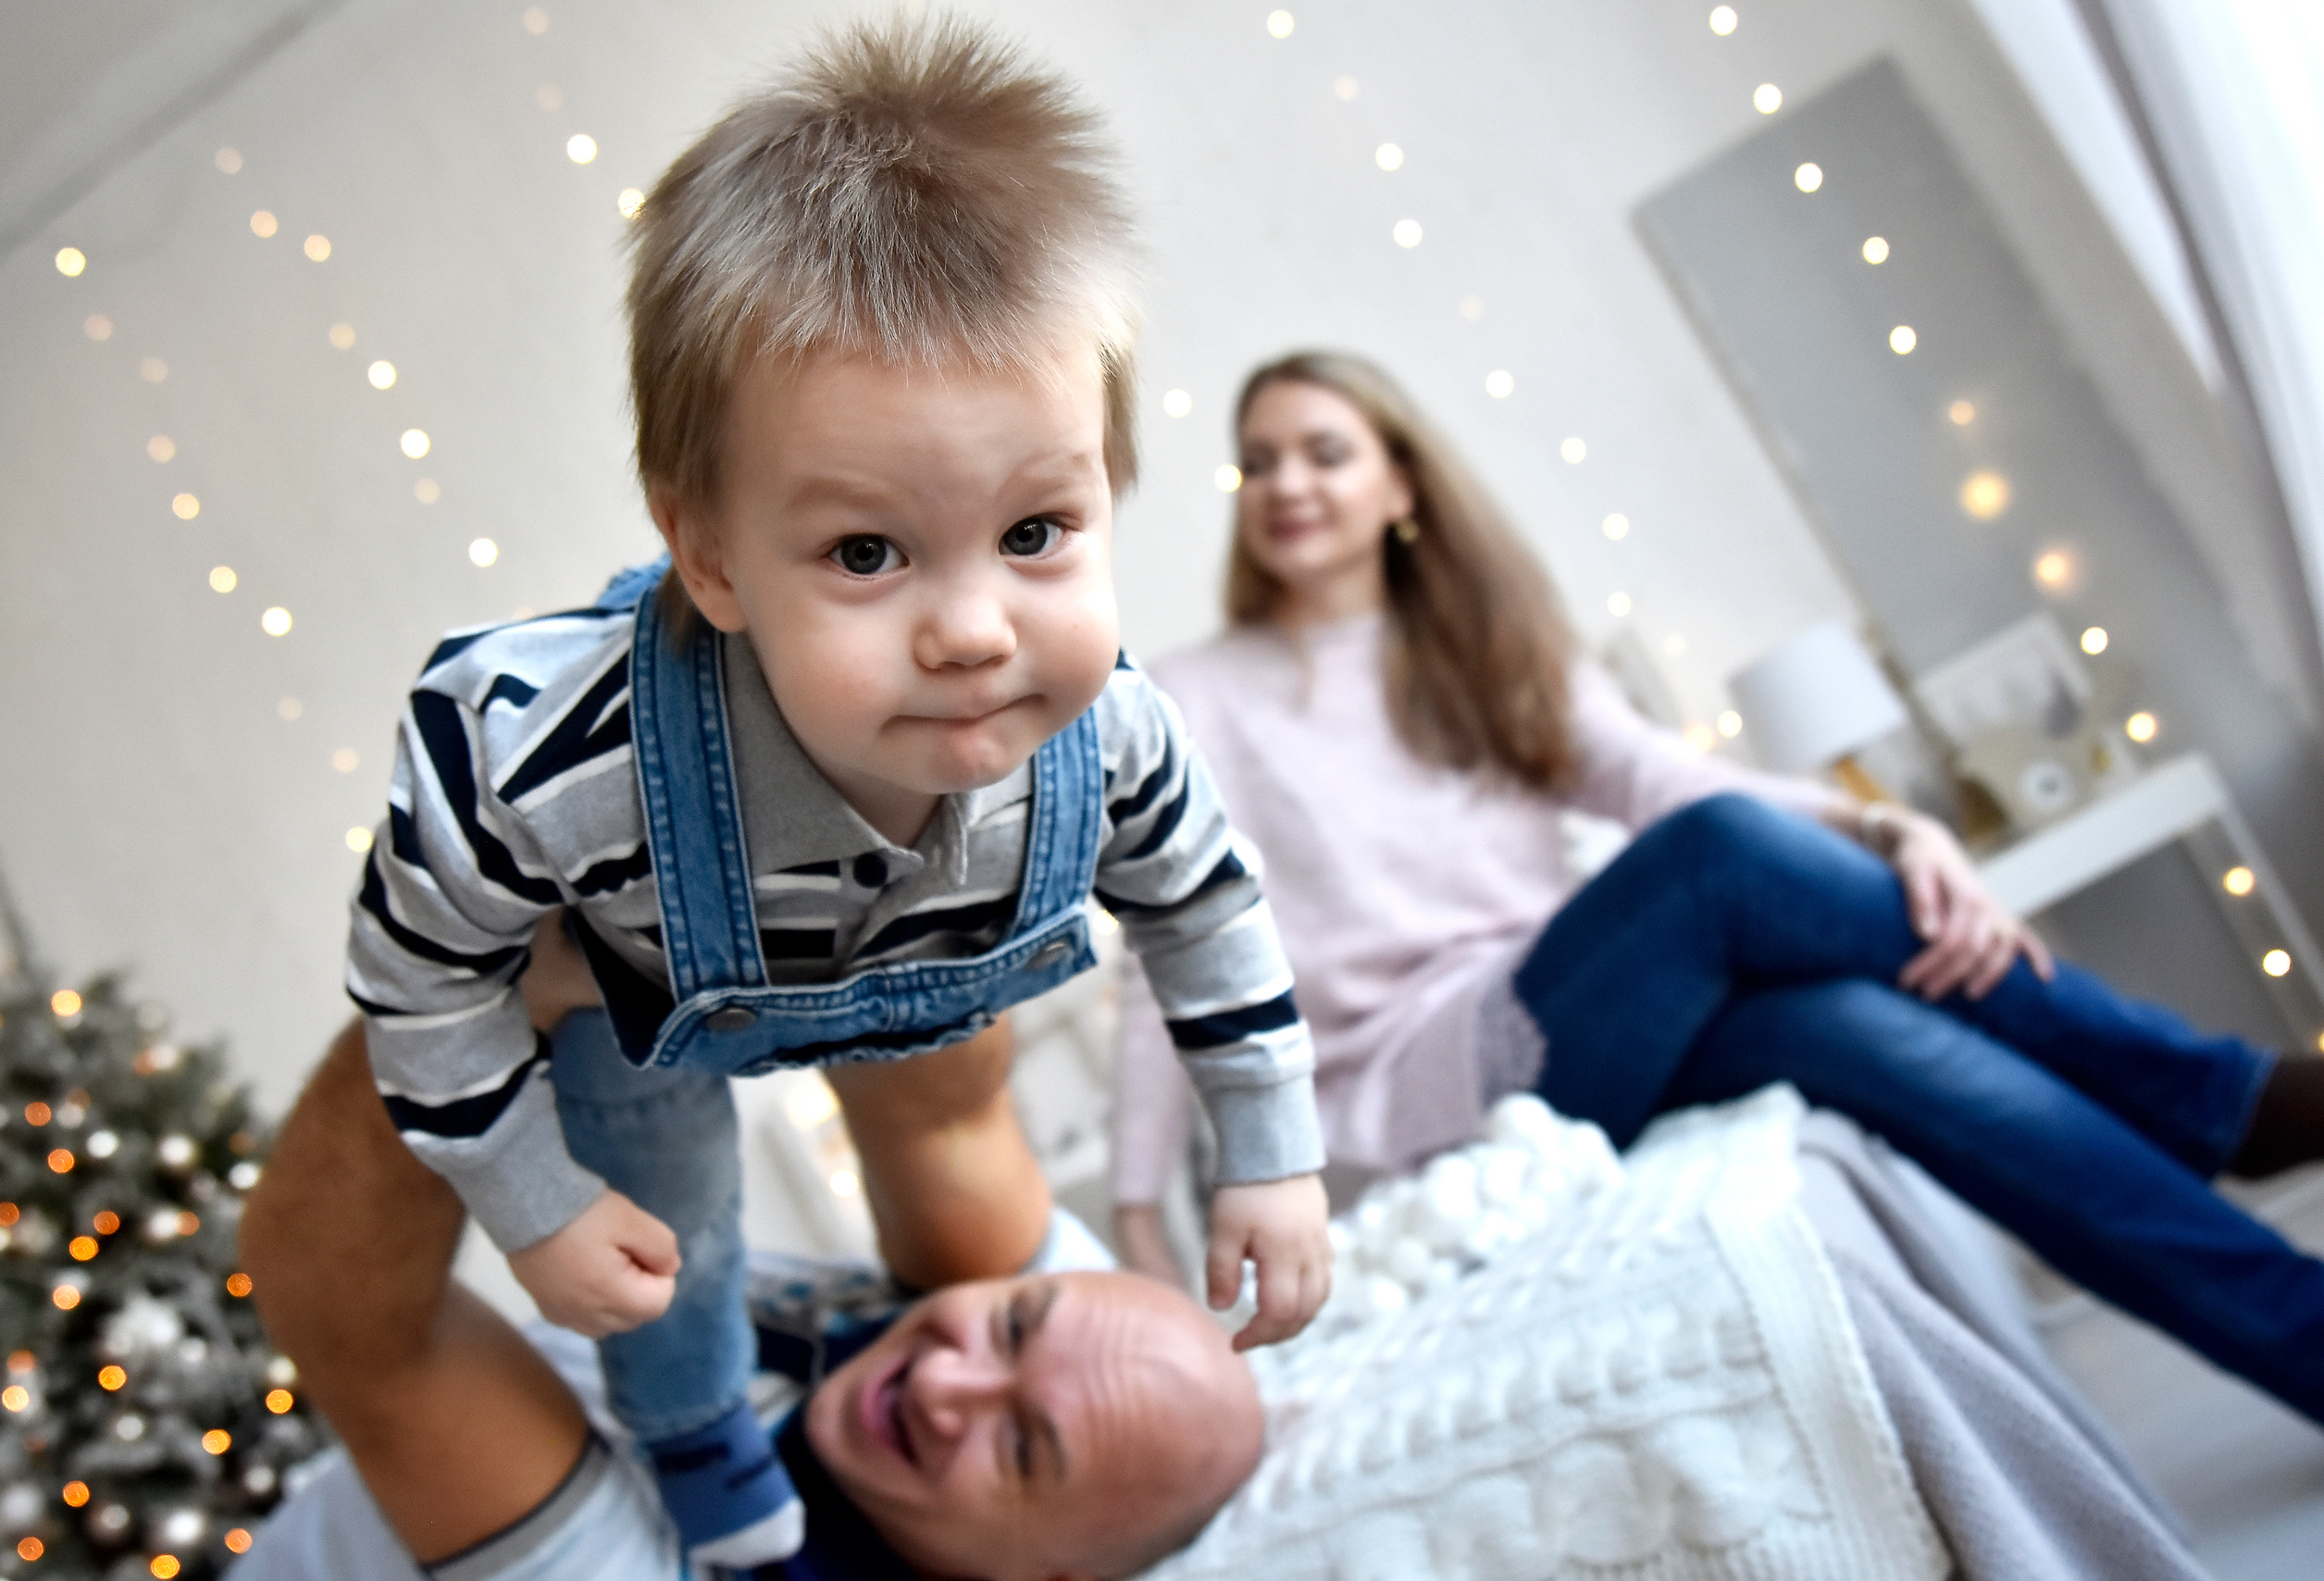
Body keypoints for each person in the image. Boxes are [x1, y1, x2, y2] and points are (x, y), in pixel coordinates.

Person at [344, 20, 1328, 1573]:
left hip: (903, 964)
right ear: (715, 557)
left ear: (1109, 488)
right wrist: (532, 1201)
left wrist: (1266, 1147)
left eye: (1037, 529)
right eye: (869, 551)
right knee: (670, 1228)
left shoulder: (1108, 732)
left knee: (913, 1107)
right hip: (633, 978)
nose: (974, 628)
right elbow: (417, 980)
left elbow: (1206, 906)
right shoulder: (553, 766)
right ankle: (697, 1438)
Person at [1114, 350, 2324, 1425]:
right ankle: (2222, 1101)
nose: (1285, 485)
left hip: (1593, 1027)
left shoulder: (1493, 651)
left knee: (1854, 1028)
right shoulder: (1192, 699)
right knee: (1720, 859)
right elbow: (1161, 966)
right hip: (1428, 1082)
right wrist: (1136, 1224)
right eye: (1257, 462)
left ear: (1402, 485)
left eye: (1325, 453)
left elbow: (1661, 777)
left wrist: (1890, 825)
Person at [237, 1017, 1264, 1581]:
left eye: (1023, 1447)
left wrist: (475, 983)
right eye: (1010, 1320)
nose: (948, 1374)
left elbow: (363, 1325)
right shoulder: (1084, 1338)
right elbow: (942, 1104)